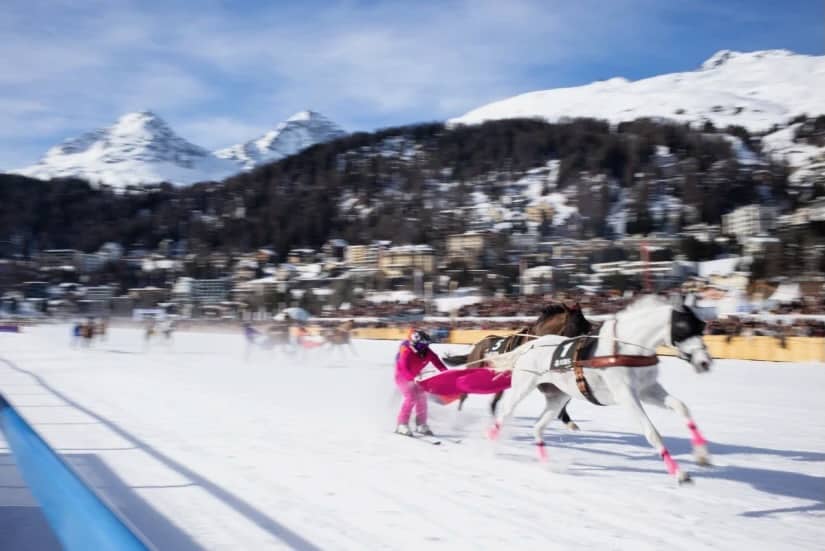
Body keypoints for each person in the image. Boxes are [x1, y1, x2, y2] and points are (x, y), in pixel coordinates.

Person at [394, 329, 449, 436]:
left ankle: (421, 424)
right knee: (411, 397)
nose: (424, 347)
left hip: (416, 377)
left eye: (426, 345)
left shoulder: (427, 351)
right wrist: (411, 379)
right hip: (402, 377)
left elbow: (437, 362)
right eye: (421, 345)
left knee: (422, 398)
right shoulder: (407, 351)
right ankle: (402, 424)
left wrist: (446, 373)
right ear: (414, 343)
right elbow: (404, 368)